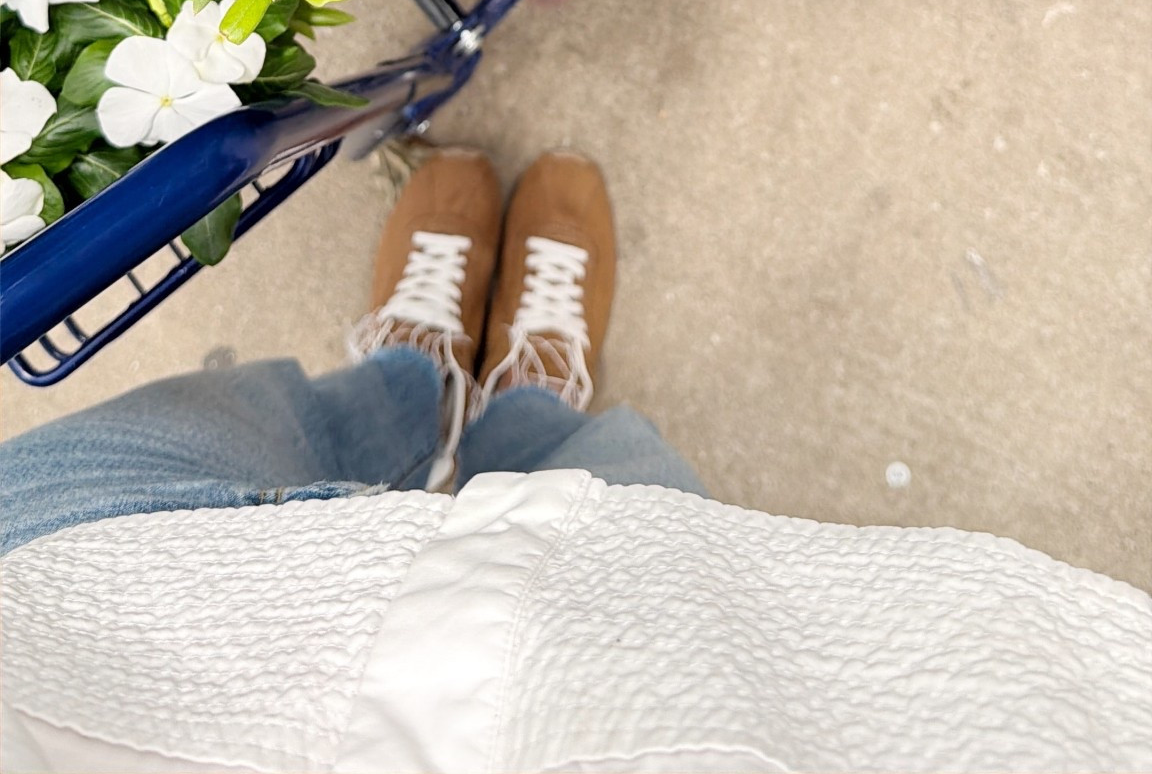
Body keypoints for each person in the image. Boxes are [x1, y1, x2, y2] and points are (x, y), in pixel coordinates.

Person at [1, 149, 1148, 774]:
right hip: (634, 700)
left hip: (73, 631)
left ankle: (415, 378)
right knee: (604, 499)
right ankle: (528, 395)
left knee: (270, 423)